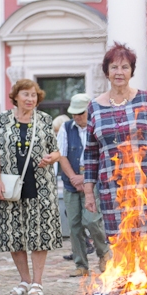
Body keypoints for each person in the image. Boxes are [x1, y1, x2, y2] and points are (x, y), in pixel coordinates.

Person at [82, 43, 147, 238]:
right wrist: (89, 192)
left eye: (124, 67)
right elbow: (90, 154)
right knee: (120, 241)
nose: (119, 72)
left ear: (131, 71)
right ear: (106, 72)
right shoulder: (94, 107)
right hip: (113, 186)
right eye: (114, 67)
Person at [0, 79, 63, 295]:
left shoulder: (44, 119)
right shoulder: (2, 120)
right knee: (14, 234)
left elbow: (56, 150)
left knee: (39, 233)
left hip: (41, 185)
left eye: (34, 95)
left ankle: (37, 283)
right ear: (15, 96)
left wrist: (52, 158)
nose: (30, 99)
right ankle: (24, 280)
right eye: (26, 94)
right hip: (11, 183)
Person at [57, 93, 110, 278]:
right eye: (74, 113)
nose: (77, 117)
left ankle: (104, 253)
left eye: (80, 113)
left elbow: (102, 155)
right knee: (74, 225)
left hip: (93, 180)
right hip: (71, 182)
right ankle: (81, 265)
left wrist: (85, 177)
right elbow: (61, 155)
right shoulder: (66, 128)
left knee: (92, 220)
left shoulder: (97, 126)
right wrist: (73, 177)